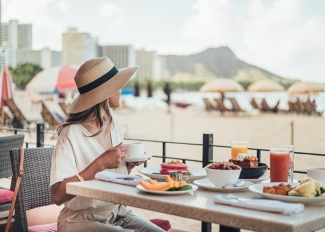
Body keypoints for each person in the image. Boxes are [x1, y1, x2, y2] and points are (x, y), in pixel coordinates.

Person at [50, 57, 166, 232]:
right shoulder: (71, 134)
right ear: (105, 92)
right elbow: (58, 195)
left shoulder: (113, 124)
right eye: (117, 85)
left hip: (118, 213)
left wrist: (126, 167)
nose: (121, 89)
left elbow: (109, 179)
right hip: (80, 220)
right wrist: (100, 163)